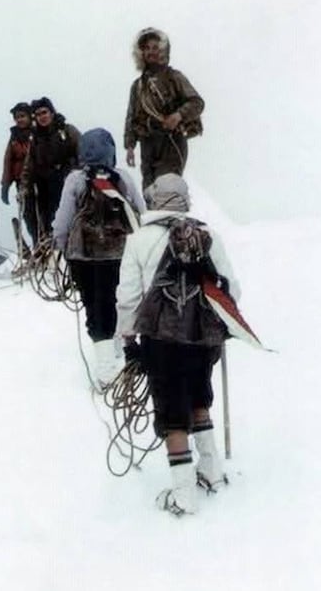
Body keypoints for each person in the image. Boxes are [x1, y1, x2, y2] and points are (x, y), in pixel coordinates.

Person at [115, 173, 239, 516]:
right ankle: (211, 471)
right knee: (199, 395)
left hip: (161, 339)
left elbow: (128, 298)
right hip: (202, 337)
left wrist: (129, 341)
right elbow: (231, 290)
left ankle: (183, 494)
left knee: (172, 412)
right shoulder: (207, 236)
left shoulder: (139, 240)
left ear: (154, 200)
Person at [52, 128, 145, 388]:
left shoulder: (75, 180)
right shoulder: (122, 178)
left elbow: (63, 219)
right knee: (117, 301)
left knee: (94, 307)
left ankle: (105, 371)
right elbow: (140, 211)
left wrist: (59, 247)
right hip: (120, 253)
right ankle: (118, 351)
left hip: (83, 255)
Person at [123, 27, 205, 189]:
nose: (150, 52)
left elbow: (197, 102)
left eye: (155, 47)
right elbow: (131, 117)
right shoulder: (138, 86)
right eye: (146, 48)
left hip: (171, 142)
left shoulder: (174, 77)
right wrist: (130, 146)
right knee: (149, 192)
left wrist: (178, 115)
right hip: (148, 144)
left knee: (167, 190)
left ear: (162, 50)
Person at [22, 97, 80, 247]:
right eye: (38, 114)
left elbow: (82, 151)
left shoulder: (67, 131)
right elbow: (29, 164)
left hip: (65, 180)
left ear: (52, 112)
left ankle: (66, 247)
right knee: (41, 219)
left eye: (44, 112)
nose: (42, 117)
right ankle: (46, 250)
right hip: (43, 185)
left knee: (66, 217)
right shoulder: (35, 138)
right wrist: (24, 187)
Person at [0, 102, 34, 257]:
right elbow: (8, 160)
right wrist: (5, 185)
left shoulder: (38, 133)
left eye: (22, 116)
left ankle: (48, 246)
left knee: (44, 214)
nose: (20, 120)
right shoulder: (14, 137)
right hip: (21, 182)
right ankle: (37, 245)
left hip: (39, 179)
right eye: (17, 117)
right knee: (28, 215)